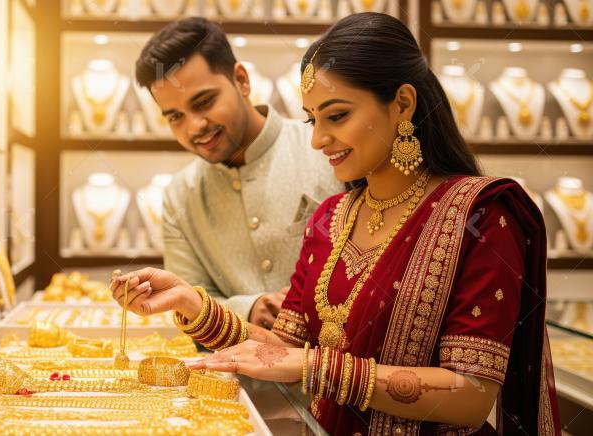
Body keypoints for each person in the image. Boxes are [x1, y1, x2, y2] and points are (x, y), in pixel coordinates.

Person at [113, 12, 560, 435]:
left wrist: (314, 367)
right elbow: (283, 350)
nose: (317, 139)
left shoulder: (481, 214)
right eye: (312, 119)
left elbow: (471, 395)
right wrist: (193, 303)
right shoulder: (331, 217)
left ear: (403, 104)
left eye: (338, 116)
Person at [134, 17, 342, 329]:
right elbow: (183, 301)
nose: (194, 127)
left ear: (241, 80)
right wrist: (249, 309)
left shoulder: (327, 150)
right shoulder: (179, 195)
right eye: (175, 117)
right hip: (226, 362)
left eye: (204, 102)